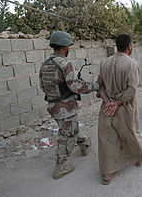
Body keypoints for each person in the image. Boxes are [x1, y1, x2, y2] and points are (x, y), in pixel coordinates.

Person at [39, 31, 100, 179]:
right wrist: (95, 86)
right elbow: (75, 86)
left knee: (68, 128)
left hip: (53, 105)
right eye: (68, 46)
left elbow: (42, 86)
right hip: (66, 106)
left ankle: (84, 144)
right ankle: (61, 165)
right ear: (65, 47)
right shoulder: (66, 64)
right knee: (67, 134)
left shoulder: (45, 64)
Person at [96, 33, 142, 185]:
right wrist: (117, 103)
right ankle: (140, 158)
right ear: (129, 46)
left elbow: (99, 85)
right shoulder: (131, 64)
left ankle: (108, 173)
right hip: (124, 107)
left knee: (108, 138)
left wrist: (108, 101)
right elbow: (131, 90)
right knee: (130, 134)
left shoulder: (105, 62)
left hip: (107, 108)